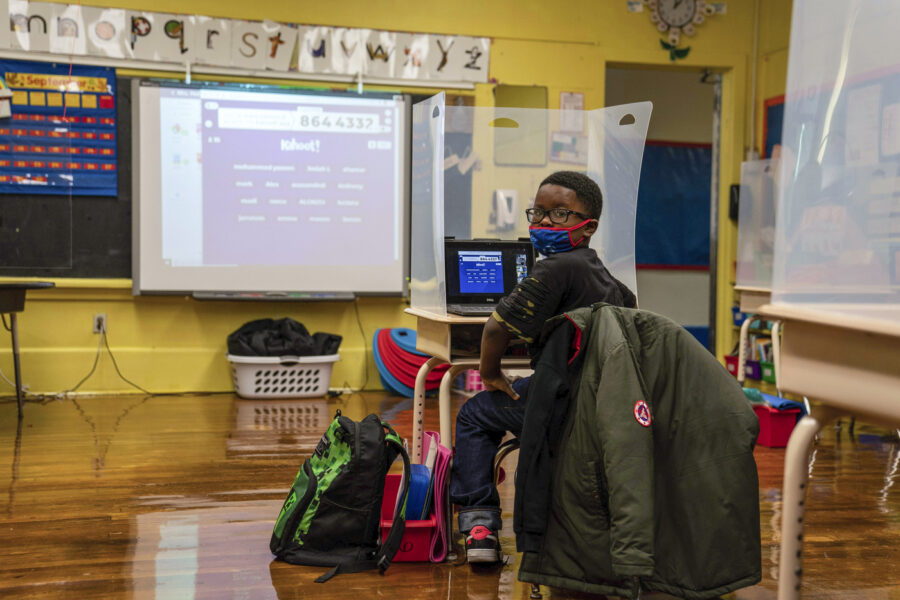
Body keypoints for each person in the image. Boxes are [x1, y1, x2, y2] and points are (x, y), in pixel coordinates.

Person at [449, 170, 637, 565]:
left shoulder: (554, 269)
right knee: (528, 385)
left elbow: (495, 328)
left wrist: (490, 375)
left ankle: (479, 527)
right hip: (600, 406)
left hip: (560, 407)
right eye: (538, 213)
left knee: (472, 413)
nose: (545, 222)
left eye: (560, 214)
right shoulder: (615, 286)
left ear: (589, 227)